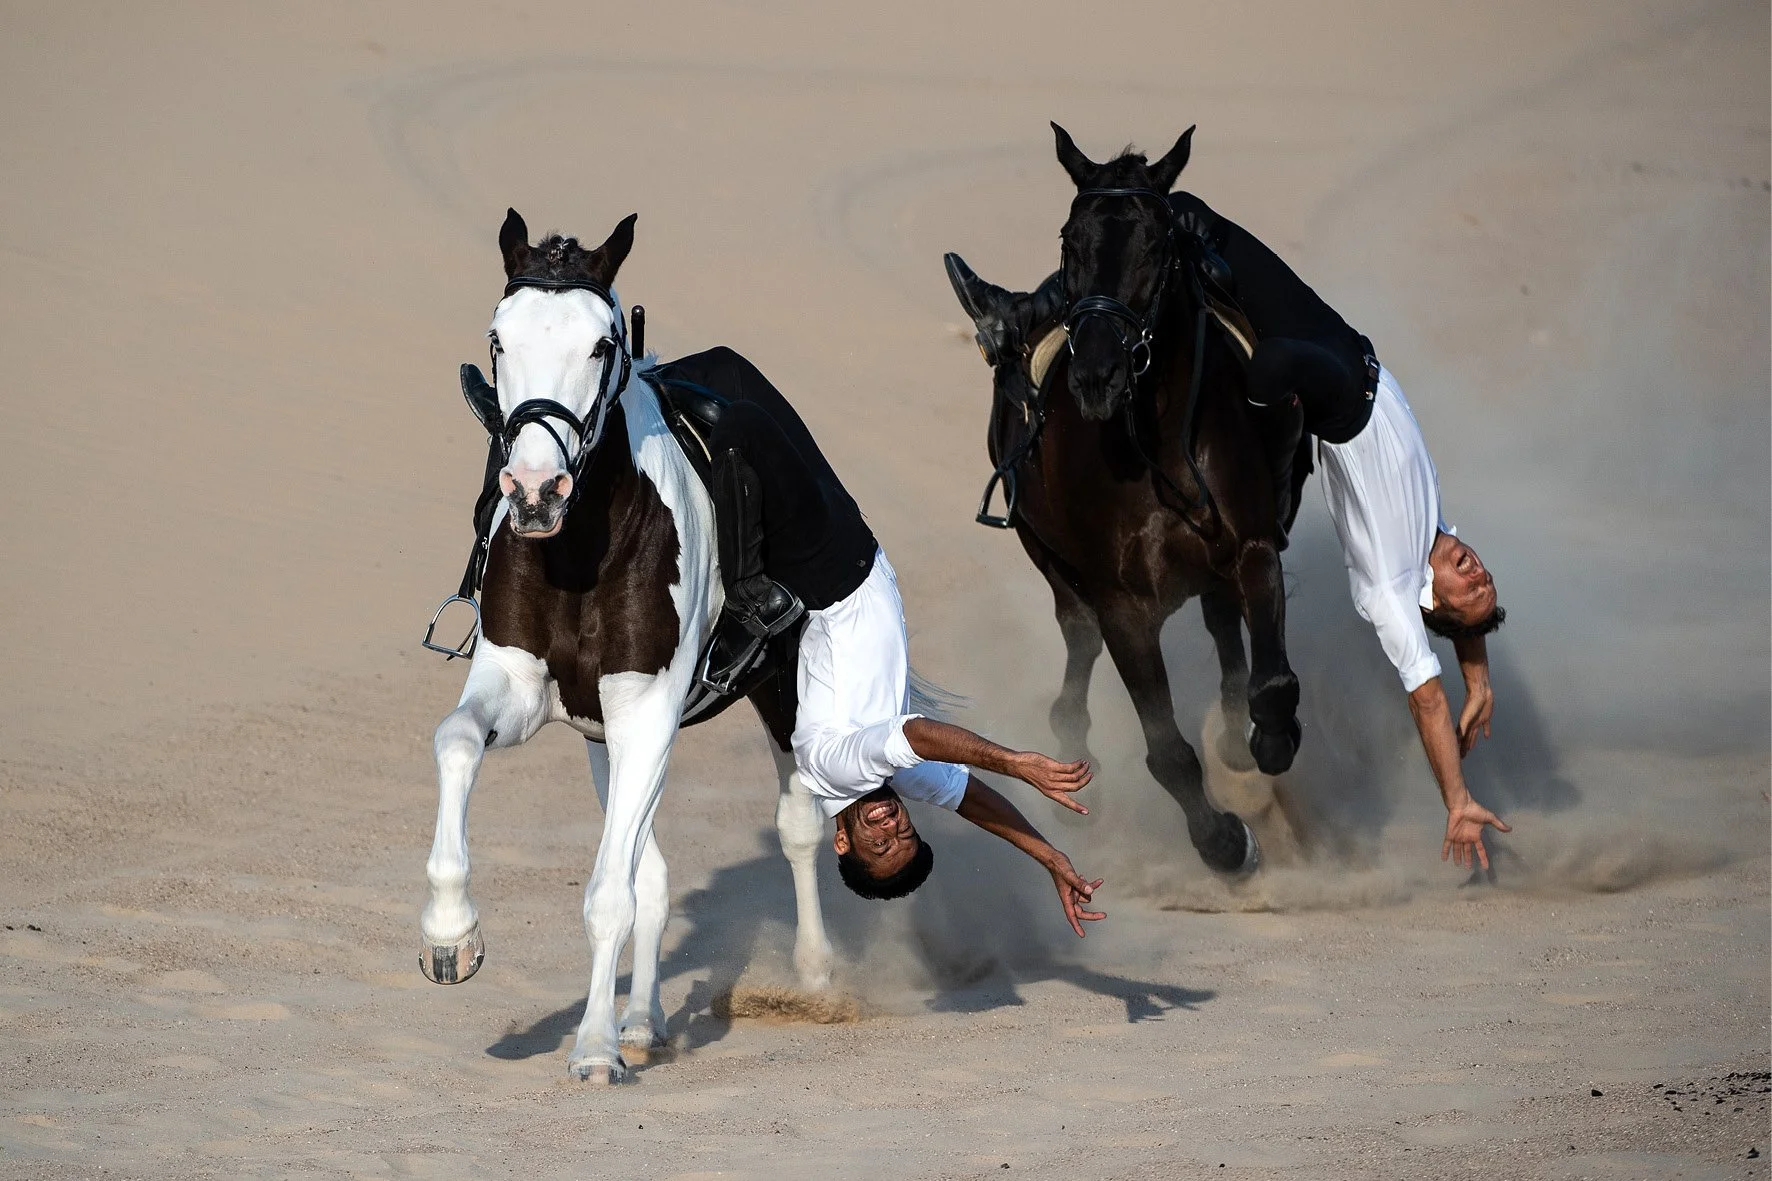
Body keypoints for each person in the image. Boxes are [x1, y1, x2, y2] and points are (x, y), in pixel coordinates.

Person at [655, 348, 1106, 934]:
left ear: (841, 840)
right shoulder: (899, 782)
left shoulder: (839, 772)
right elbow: (970, 799)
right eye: (904, 832)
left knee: (742, 427)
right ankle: (635, 389)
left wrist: (1020, 764)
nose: (892, 825)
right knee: (725, 370)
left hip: (824, 568)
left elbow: (916, 734)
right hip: (856, 550)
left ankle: (745, 591)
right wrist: (1050, 856)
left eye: (878, 841)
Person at [1171, 192, 1513, 871]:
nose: (1475, 569)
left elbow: (1426, 700)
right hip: (1350, 351)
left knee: (1267, 368)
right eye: (1483, 574)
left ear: (1430, 604)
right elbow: (1464, 629)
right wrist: (1481, 679)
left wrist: (1456, 795)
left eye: (1466, 587)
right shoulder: (1435, 534)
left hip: (1330, 394)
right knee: (1188, 215)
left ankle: (1246, 450)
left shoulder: (1392, 594)